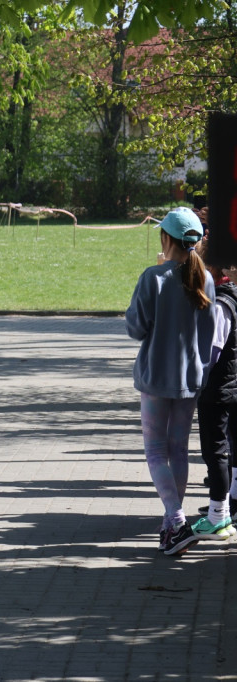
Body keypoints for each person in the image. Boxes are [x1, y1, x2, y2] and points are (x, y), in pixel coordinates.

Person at [125, 207, 215, 556]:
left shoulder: (153, 277)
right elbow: (207, 335)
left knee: (155, 452)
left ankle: (176, 521)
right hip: (190, 379)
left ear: (166, 238)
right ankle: (170, 525)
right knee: (179, 450)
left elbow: (135, 328)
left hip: (155, 379)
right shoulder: (204, 279)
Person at [192, 240, 237, 540]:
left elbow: (212, 350)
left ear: (209, 268)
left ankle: (218, 515)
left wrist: (193, 374)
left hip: (219, 388)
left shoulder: (221, 302)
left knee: (216, 450)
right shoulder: (231, 295)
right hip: (231, 385)